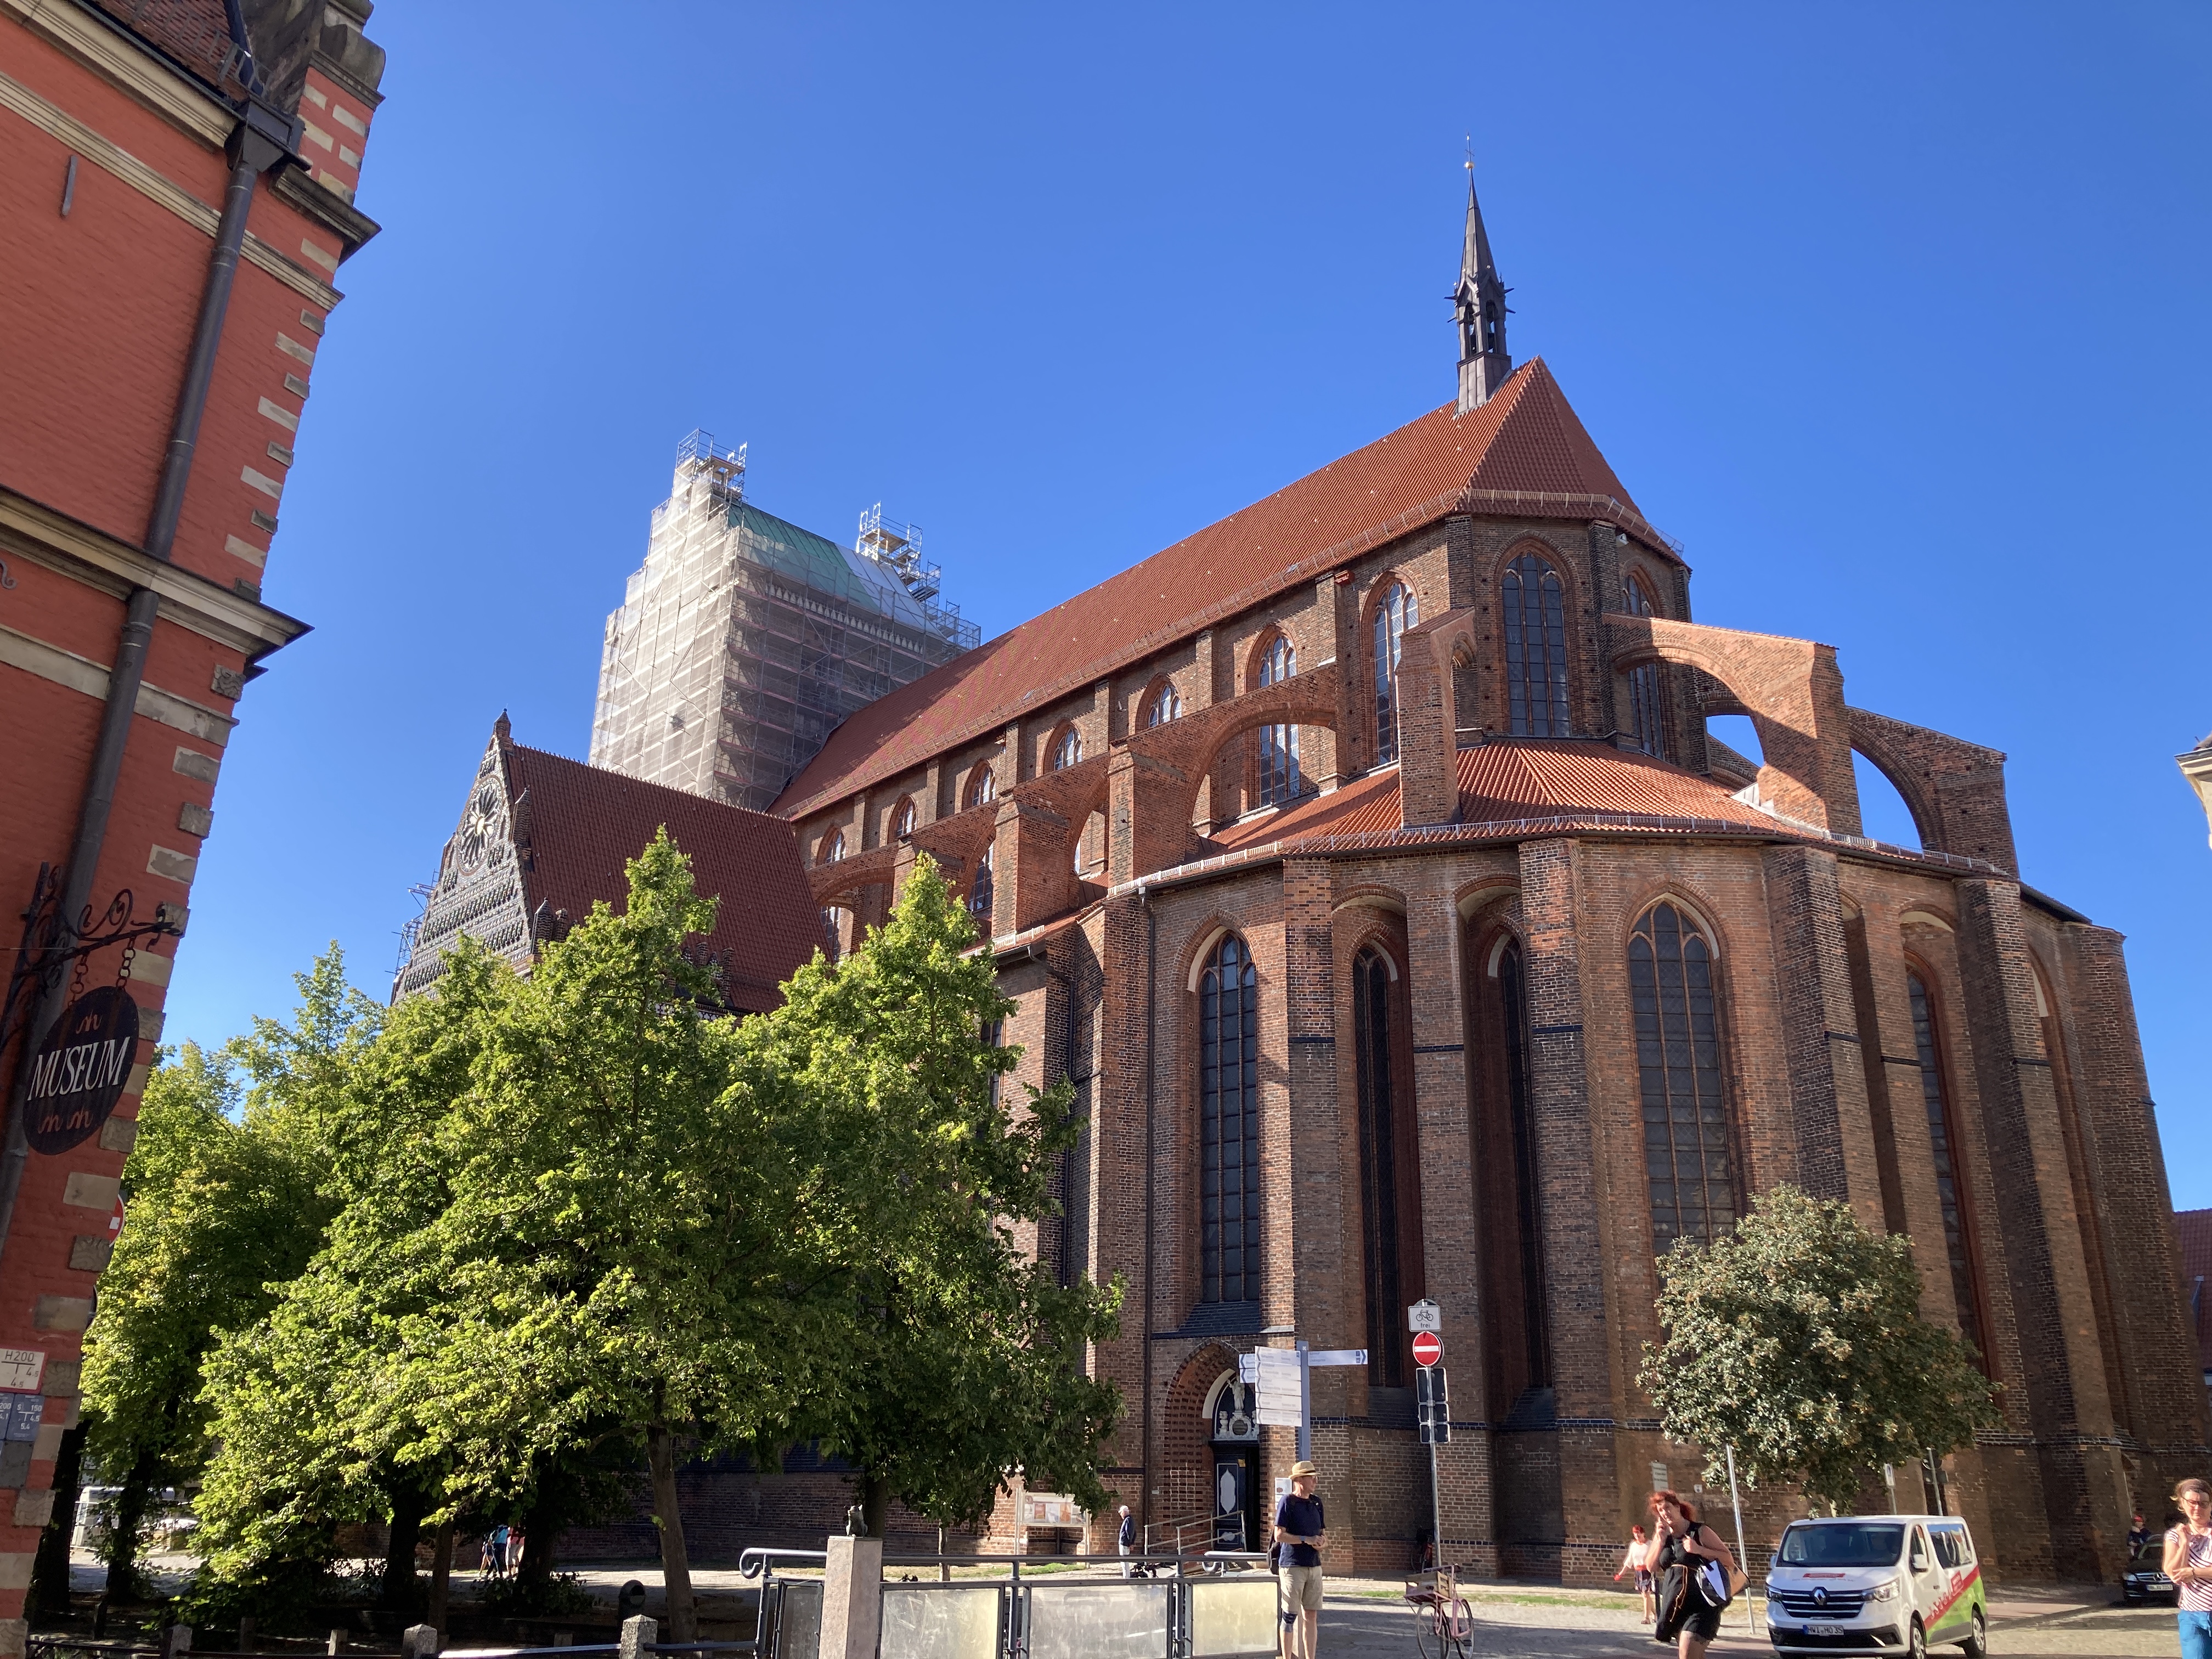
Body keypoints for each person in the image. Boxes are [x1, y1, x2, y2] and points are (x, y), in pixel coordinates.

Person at [1650, 1489, 1739, 1659]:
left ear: (1678, 1507)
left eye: (1668, 1508)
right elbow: (1651, 1566)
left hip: (1702, 1604)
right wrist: (1660, 1540)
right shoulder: (1662, 1536)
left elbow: (1728, 1559)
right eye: (1660, 1510)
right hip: (1675, 1604)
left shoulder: (1699, 1531)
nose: (1665, 1513)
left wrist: (1699, 1550)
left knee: (1688, 1653)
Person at [1274, 1460, 1325, 1659]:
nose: (1315, 1480)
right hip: (1292, 1566)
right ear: (1299, 1480)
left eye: (1315, 1476)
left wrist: (1322, 1543)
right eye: (1311, 1477)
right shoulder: (1288, 1502)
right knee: (1289, 1616)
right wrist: (1306, 1540)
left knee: (1311, 1616)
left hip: (1314, 1565)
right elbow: (1279, 1535)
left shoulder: (1317, 1503)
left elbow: (1322, 1534)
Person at [2164, 1477, 2212, 1659]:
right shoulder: (2175, 1536)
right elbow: (2173, 1574)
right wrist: (2184, 1544)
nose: (2197, 1508)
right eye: (2192, 1503)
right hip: (2192, 1617)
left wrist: (2194, 1572)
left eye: (2203, 1503)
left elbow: (2185, 1573)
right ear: (2182, 1505)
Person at [1614, 1523, 1655, 1623]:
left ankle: (1646, 1618)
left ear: (1643, 1533)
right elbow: (1630, 1560)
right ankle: (1656, 1614)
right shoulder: (1634, 1545)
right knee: (1645, 1596)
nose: (1637, 1535)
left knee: (1646, 1594)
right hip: (1638, 1572)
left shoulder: (1650, 1544)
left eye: (1638, 1533)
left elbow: (1655, 1557)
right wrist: (1621, 1573)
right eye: (1635, 1533)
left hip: (1647, 1572)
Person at [1118, 1505, 1137, 1578]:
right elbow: (1134, 1533)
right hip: (1126, 1543)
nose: (1121, 1515)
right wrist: (1132, 1542)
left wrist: (1130, 1543)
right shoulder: (1130, 1520)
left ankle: (1126, 1578)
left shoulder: (1128, 1520)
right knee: (1124, 1561)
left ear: (1124, 1512)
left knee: (1124, 1562)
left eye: (1121, 1513)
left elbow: (1129, 1532)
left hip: (1125, 1543)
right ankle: (1126, 1577)